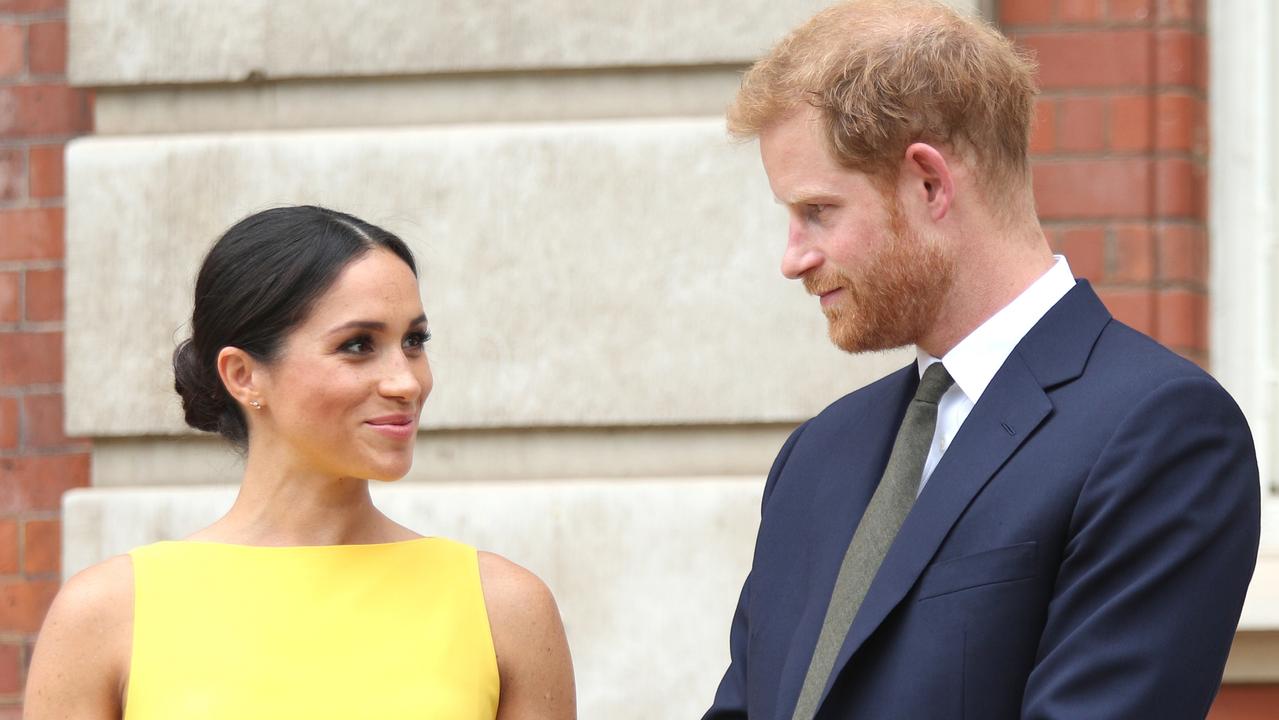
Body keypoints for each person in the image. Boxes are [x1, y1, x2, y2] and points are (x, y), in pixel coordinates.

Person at [704, 2, 1260, 718]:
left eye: (818, 211)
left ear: (929, 183)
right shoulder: (815, 456)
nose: (793, 258)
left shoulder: (1158, 433)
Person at [25, 206, 576, 719]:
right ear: (243, 375)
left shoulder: (505, 608)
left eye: (414, 340)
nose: (407, 381)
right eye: (358, 345)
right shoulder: (105, 614)